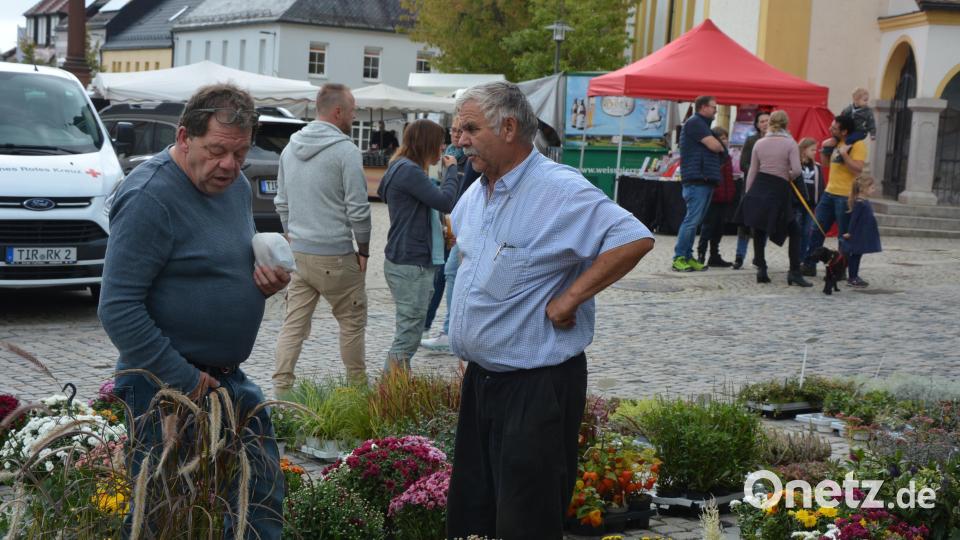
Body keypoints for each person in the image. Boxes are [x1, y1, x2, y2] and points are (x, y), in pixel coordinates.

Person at [445, 81, 655, 540]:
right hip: (484, 382)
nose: (458, 140)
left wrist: (571, 297)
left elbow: (633, 237)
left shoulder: (559, 189)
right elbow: (468, 260)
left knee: (526, 521)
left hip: (536, 386)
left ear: (509, 127)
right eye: (455, 128)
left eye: (468, 129)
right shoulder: (476, 192)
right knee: (473, 516)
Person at [98, 84, 291, 539]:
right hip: (163, 389)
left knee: (261, 498)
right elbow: (118, 308)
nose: (229, 164)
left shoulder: (236, 185)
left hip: (228, 381)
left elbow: (213, 270)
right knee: (160, 514)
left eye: (240, 152)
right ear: (185, 137)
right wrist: (185, 380)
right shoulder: (148, 196)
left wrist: (262, 285)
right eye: (217, 150)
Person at [272, 83, 371, 391]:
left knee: (293, 325)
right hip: (337, 255)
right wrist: (364, 249)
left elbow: (282, 202)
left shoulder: (290, 149)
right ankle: (357, 391)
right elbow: (358, 208)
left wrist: (291, 237)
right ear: (338, 111)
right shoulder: (346, 151)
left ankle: (281, 390)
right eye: (352, 111)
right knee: (352, 323)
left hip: (300, 254)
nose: (354, 117)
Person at [378, 119, 460, 371]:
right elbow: (446, 201)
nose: (443, 147)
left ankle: (396, 386)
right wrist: (452, 171)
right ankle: (389, 393)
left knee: (409, 330)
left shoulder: (398, 166)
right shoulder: (409, 171)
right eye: (440, 142)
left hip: (404, 258)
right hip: (410, 263)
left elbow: (382, 192)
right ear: (427, 143)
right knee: (408, 335)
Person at [741, 110, 811, 287]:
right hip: (779, 188)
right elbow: (796, 171)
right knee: (794, 230)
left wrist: (749, 194)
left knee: (759, 228)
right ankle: (794, 271)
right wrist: (784, 173)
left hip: (760, 186)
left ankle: (761, 269)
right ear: (787, 124)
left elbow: (752, 171)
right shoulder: (790, 143)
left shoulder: (760, 143)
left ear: (770, 123)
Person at [422, 116, 474, 351]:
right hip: (453, 224)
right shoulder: (452, 156)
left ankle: (450, 331)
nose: (455, 135)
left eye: (460, 130)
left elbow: (454, 196)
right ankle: (445, 329)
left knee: (451, 272)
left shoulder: (467, 160)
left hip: (463, 226)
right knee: (446, 273)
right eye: (452, 130)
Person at [801, 114, 867, 276]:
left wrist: (844, 154)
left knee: (843, 234)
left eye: (834, 128)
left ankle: (840, 268)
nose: (830, 129)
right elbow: (825, 164)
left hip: (846, 196)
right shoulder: (837, 142)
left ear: (844, 131)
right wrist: (825, 148)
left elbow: (857, 169)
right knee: (816, 229)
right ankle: (810, 264)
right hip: (829, 193)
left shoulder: (857, 145)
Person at [672, 95, 724, 272]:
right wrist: (719, 144)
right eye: (713, 107)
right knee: (691, 220)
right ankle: (679, 257)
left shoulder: (703, 125)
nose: (716, 110)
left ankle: (687, 255)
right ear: (702, 107)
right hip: (696, 180)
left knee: (696, 221)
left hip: (704, 179)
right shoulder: (695, 123)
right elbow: (715, 146)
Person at [734, 111, 770, 269]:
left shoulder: (776, 141)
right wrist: (757, 171)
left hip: (768, 189)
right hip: (751, 186)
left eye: (768, 121)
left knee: (763, 224)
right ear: (757, 124)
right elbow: (743, 164)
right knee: (745, 224)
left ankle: (759, 256)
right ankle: (739, 256)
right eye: (762, 121)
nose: (765, 124)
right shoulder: (751, 140)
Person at [696, 126, 736, 267]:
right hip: (713, 196)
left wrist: (730, 193)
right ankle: (701, 254)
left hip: (724, 197)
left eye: (726, 138)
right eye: (722, 138)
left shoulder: (727, 156)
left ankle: (714, 255)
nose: (725, 141)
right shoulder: (711, 155)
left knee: (719, 228)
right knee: (708, 227)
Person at [843, 175, 882, 288]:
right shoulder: (860, 202)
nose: (873, 190)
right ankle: (852, 277)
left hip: (863, 232)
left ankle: (854, 276)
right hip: (858, 233)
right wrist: (850, 232)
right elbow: (854, 219)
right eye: (871, 188)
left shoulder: (864, 201)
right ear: (862, 189)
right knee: (855, 255)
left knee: (858, 255)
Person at [794, 137, 825, 263]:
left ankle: (802, 258)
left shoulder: (817, 167)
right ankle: (795, 258)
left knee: (807, 232)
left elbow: (821, 186)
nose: (815, 152)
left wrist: (820, 202)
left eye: (816, 150)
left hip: (811, 205)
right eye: (812, 150)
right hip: (797, 204)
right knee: (797, 232)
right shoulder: (796, 165)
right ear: (803, 150)